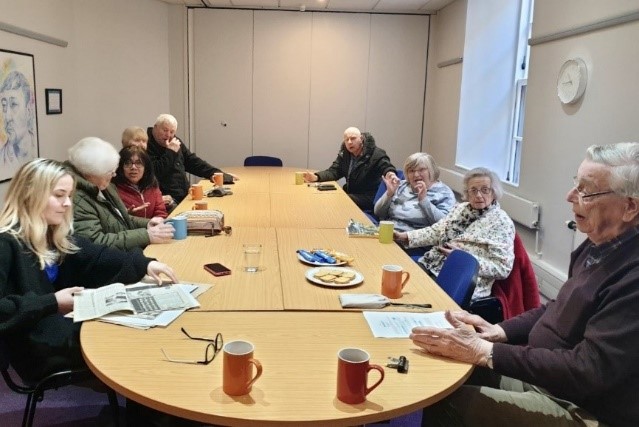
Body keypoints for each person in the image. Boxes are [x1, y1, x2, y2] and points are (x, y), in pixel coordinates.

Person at [411, 142, 639, 427]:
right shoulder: (597, 245)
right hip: (545, 378)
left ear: (630, 207)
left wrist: (487, 352)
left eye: (586, 190)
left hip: (581, 407)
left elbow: (588, 370)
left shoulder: (632, 277)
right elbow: (556, 307)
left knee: (443, 404)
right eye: (575, 185)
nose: (570, 196)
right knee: (440, 368)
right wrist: (499, 330)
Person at [0, 158, 178, 382]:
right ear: (29, 195)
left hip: (59, 329)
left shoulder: (51, 234)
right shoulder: (6, 243)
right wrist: (52, 302)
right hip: (37, 347)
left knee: (139, 334)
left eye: (69, 196)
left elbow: (96, 255)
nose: (67, 204)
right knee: (138, 347)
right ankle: (152, 413)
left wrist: (145, 264)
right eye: (58, 195)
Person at [395, 167, 514, 301]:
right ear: (467, 193)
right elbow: (436, 231)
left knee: (411, 297)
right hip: (432, 263)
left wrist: (462, 257)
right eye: (473, 190)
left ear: (494, 192)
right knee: (393, 283)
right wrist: (405, 236)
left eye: (485, 190)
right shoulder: (461, 208)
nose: (479, 195)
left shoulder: (501, 222)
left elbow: (502, 268)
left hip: (461, 278)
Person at [65, 137, 174, 251]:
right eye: (110, 172)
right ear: (90, 172)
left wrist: (148, 223)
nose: (114, 175)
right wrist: (146, 235)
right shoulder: (78, 200)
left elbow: (121, 219)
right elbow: (96, 242)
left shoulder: (104, 185)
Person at [146, 113, 237, 204]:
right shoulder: (145, 143)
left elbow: (192, 161)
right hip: (166, 200)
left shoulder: (174, 140)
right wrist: (171, 152)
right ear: (155, 127)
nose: (168, 135)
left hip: (184, 195)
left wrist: (217, 173)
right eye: (165, 130)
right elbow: (155, 172)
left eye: (172, 132)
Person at [302, 126, 399, 211]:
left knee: (337, 200)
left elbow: (387, 167)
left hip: (368, 197)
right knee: (325, 197)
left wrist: (390, 174)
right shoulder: (345, 154)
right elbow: (334, 171)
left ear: (361, 138)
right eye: (346, 139)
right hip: (351, 193)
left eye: (353, 138)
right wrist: (316, 177)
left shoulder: (376, 154)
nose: (349, 142)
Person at [374, 152, 456, 231]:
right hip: (387, 232)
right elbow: (378, 213)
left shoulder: (444, 193)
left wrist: (424, 201)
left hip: (413, 241)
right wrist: (389, 194)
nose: (416, 175)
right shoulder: (401, 185)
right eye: (411, 171)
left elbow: (444, 226)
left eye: (421, 170)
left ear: (431, 171)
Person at [121, 126, 177, 212]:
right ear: (126, 142)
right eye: (137, 140)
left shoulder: (147, 161)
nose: (141, 144)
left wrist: (158, 200)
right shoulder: (119, 165)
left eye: (144, 141)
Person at [113, 146, 168, 219]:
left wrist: (155, 225)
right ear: (120, 167)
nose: (133, 167)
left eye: (138, 163)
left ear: (146, 167)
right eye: (128, 163)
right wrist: (126, 215)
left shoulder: (151, 184)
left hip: (154, 228)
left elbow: (161, 213)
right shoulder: (114, 189)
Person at [0, 70, 37, 174]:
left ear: (29, 110)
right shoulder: (2, 159)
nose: (7, 117)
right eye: (3, 105)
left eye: (13, 104)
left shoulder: (38, 154)